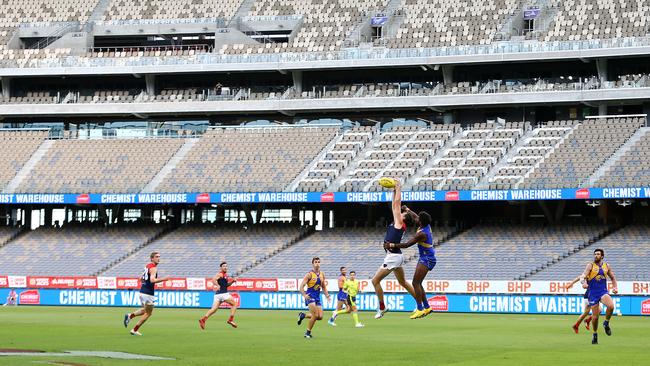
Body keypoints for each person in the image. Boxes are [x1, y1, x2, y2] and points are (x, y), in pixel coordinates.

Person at [372, 179, 417, 319]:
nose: (400, 213)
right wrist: (394, 191)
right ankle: (420, 303)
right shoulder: (399, 222)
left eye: (402, 214)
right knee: (403, 282)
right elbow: (394, 204)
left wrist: (398, 188)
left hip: (393, 256)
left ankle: (382, 307)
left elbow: (396, 204)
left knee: (375, 281)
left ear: (404, 218)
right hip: (396, 256)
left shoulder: (399, 222)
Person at [384, 206, 435, 319]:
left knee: (415, 283)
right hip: (426, 257)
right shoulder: (425, 225)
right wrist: (407, 210)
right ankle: (427, 307)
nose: (416, 219)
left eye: (418, 219)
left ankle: (420, 309)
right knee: (418, 283)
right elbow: (416, 216)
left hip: (426, 258)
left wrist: (392, 245)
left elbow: (407, 245)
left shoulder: (422, 234)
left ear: (421, 222)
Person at [123, 251, 171, 336]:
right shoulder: (153, 268)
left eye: (159, 256)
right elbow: (152, 280)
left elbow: (140, 278)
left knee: (145, 310)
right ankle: (134, 330)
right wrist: (164, 279)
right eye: (156, 257)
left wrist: (145, 284)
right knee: (148, 313)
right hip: (148, 293)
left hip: (142, 292)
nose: (158, 258)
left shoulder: (147, 266)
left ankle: (130, 316)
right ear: (152, 258)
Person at [580, 248, 618, 344]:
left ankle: (606, 323)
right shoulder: (590, 265)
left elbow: (613, 277)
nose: (596, 255)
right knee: (595, 317)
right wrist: (583, 283)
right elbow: (583, 276)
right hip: (592, 294)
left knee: (611, 306)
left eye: (598, 254)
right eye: (595, 254)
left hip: (602, 292)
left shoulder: (606, 266)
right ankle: (595, 334)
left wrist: (615, 287)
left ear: (602, 256)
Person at [297, 257, 331, 338]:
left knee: (320, 317)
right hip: (310, 296)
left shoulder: (322, 274)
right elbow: (301, 287)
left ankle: (303, 315)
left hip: (317, 297)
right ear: (312, 264)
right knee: (315, 315)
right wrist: (305, 295)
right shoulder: (309, 274)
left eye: (319, 262)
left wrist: (327, 295)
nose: (317, 263)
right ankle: (307, 333)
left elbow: (323, 287)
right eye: (315, 262)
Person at [199, 262, 238, 330]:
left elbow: (226, 286)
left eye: (226, 266)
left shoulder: (225, 275)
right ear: (221, 268)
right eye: (224, 266)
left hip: (218, 295)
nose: (225, 267)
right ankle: (230, 320)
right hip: (223, 294)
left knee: (214, 309)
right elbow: (213, 280)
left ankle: (203, 319)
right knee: (234, 304)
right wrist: (217, 285)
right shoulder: (220, 274)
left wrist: (232, 281)